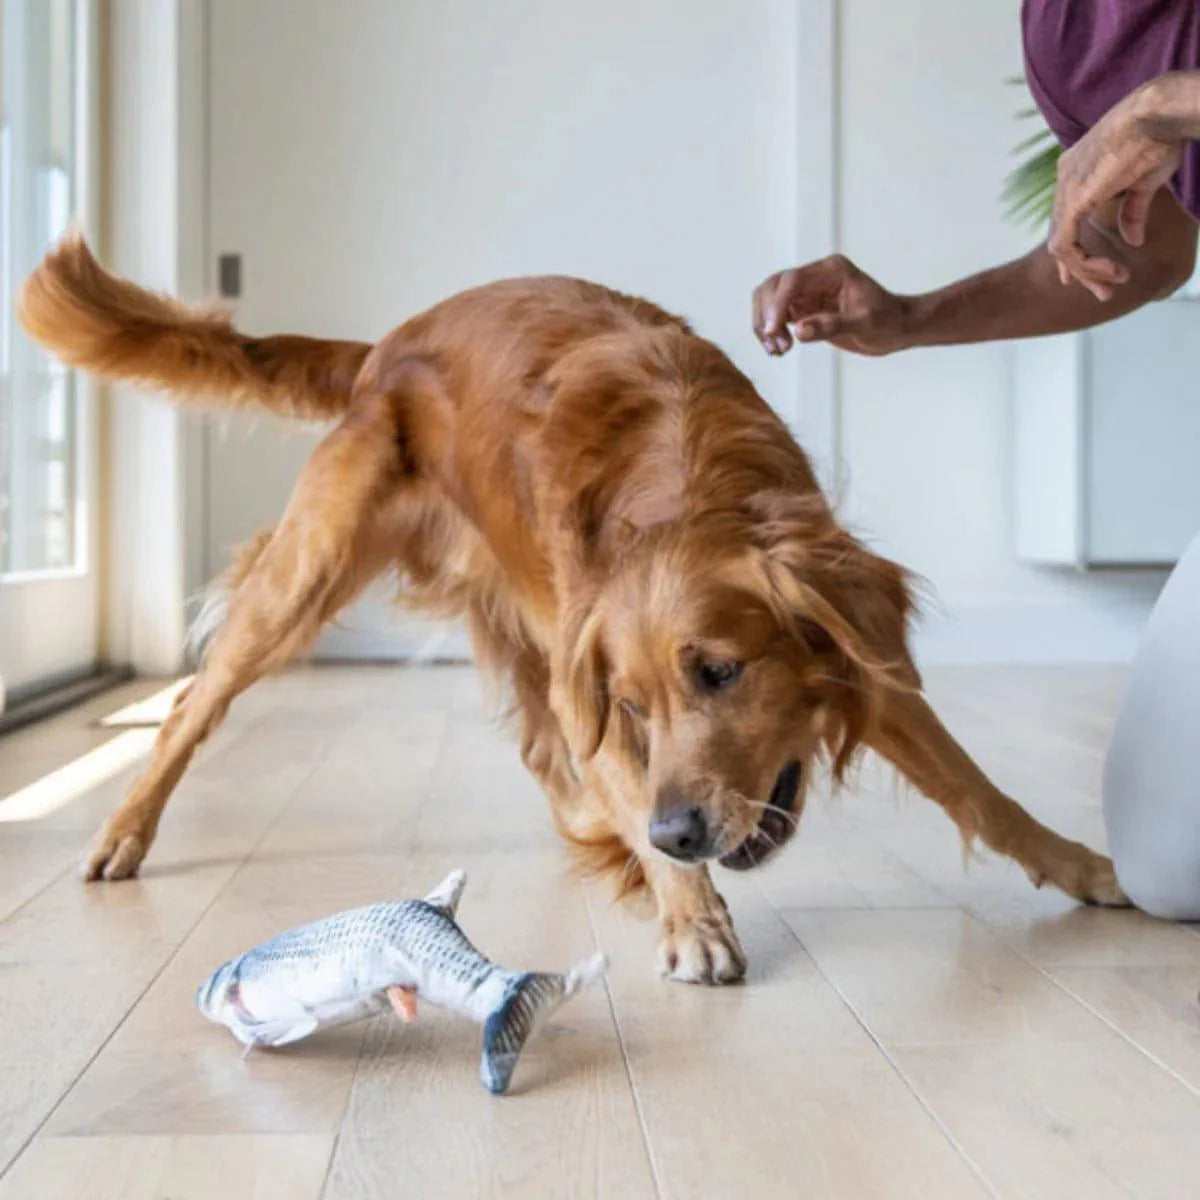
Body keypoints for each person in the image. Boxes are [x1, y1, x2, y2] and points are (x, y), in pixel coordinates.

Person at [751, 2, 1200, 919]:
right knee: (1173, 865)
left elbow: (1159, 122)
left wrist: (1167, 106)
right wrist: (907, 319)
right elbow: (1144, 256)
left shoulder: (1147, 88)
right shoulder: (1067, 34)